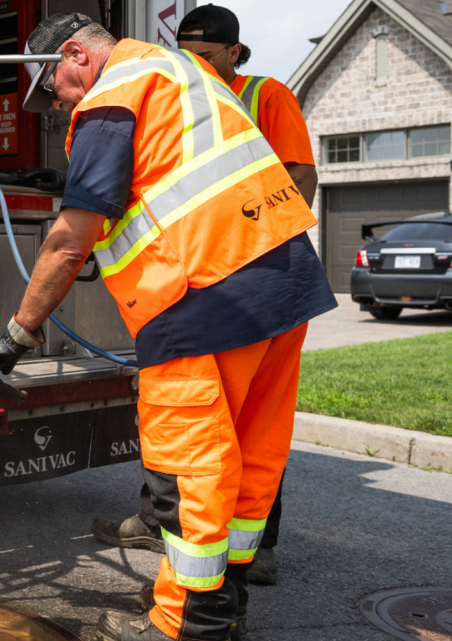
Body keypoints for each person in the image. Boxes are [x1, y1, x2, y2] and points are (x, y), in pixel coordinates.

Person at [0, 13, 335, 641]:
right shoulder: (179, 72)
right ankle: (224, 603)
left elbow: (69, 239)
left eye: (51, 88)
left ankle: (189, 624)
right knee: (251, 452)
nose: (55, 105)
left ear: (75, 55)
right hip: (281, 278)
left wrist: (17, 333)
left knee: (188, 458)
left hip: (204, 291)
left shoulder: (115, 94)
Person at [91, 4, 318, 586]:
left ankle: (250, 551)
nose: (197, 64)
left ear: (235, 53)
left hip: (245, 276)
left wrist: (257, 250)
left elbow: (300, 177)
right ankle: (161, 525)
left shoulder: (265, 95)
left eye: (209, 56)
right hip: (193, 279)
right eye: (187, 54)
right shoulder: (177, 89)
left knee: (240, 429)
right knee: (191, 424)